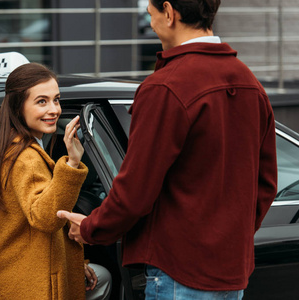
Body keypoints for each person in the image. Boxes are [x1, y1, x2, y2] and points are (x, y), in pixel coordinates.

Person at [57, 0, 277, 299]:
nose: (151, 24)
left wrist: (90, 228)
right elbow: (265, 184)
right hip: (231, 274)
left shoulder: (166, 87)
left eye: (151, 14)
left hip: (177, 272)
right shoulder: (251, 84)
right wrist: (229, 241)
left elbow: (135, 191)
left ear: (170, 12)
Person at [0, 62, 111, 300]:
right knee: (105, 278)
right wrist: (72, 163)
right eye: (41, 101)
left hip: (12, 281)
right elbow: (47, 218)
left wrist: (76, 264)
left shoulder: (6, 149)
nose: (54, 109)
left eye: (56, 99)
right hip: (35, 288)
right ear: (18, 108)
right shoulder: (26, 158)